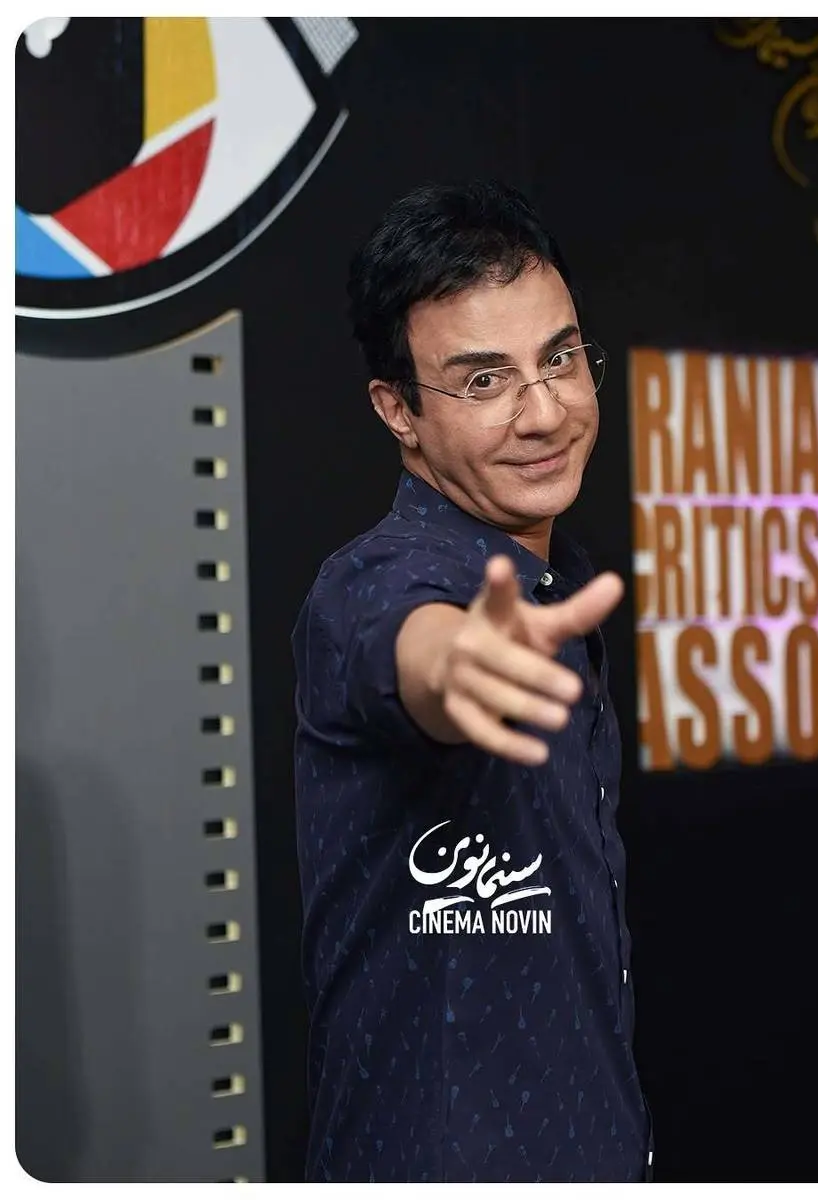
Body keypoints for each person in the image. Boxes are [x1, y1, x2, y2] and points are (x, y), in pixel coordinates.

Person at [291, 180, 654, 1183]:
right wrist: (460, 666)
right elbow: (413, 649)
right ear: (398, 410)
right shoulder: (370, 584)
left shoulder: (558, 578)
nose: (546, 413)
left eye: (561, 359)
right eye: (485, 381)